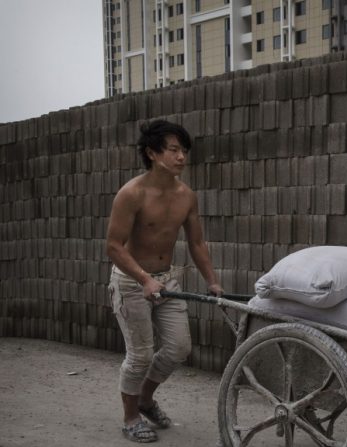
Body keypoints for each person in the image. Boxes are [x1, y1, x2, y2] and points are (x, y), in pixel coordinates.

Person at [106, 120, 223, 443]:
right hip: (132, 282)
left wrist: (212, 281)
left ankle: (145, 399)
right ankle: (131, 418)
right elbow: (113, 247)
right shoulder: (132, 194)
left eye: (183, 150)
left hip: (168, 281)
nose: (182, 157)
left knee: (178, 347)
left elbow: (197, 244)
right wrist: (143, 278)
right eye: (173, 150)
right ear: (152, 153)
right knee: (141, 354)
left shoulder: (187, 196)